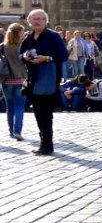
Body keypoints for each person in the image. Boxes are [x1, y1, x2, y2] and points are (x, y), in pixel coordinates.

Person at [19, 9, 68, 155]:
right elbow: (20, 55)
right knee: (38, 113)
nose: (37, 21)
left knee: (45, 113)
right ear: (29, 21)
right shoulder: (29, 37)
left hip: (49, 79)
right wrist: (25, 57)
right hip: (33, 79)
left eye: (40, 19)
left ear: (45, 21)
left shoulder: (53, 36)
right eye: (34, 19)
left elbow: (64, 55)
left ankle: (47, 145)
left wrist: (47, 58)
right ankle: (44, 144)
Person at [2, 23, 28, 141]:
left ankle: (11, 132)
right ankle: (17, 131)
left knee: (10, 107)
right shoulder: (23, 46)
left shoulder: (3, 46)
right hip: (21, 79)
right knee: (19, 107)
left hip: (6, 79)